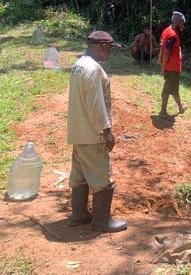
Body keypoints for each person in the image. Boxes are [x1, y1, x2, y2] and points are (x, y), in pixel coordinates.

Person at [67, 30, 127, 233]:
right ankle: (102, 221)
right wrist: (106, 131)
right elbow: (96, 104)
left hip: (78, 130)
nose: (110, 53)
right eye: (109, 48)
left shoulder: (78, 65)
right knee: (102, 176)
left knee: (80, 174)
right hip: (93, 133)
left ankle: (79, 214)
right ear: (102, 46)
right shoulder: (92, 69)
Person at [158, 12, 186, 117]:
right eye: (182, 23)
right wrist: (164, 66)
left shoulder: (167, 30)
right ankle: (163, 112)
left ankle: (180, 108)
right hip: (172, 67)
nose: (183, 26)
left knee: (174, 89)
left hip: (172, 67)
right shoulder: (172, 35)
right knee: (167, 90)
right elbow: (166, 52)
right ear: (177, 22)